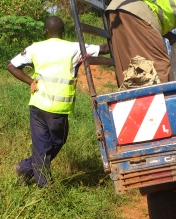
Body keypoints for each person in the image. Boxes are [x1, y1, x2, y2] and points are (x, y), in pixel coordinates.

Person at [7, 16, 109, 187]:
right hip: (57, 109)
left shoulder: (35, 48)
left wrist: (30, 81)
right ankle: (45, 185)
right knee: (55, 143)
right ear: (63, 32)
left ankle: (24, 168)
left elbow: (11, 66)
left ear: (46, 31)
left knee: (42, 145)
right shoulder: (73, 48)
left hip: (37, 104)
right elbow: (104, 49)